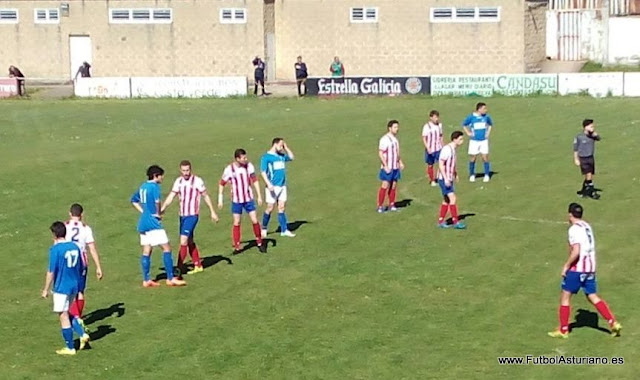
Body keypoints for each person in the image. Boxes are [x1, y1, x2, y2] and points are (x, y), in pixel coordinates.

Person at [548, 203, 622, 339]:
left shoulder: (573, 229)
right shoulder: (587, 226)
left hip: (578, 269)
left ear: (570, 214)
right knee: (592, 296)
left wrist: (566, 265)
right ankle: (613, 322)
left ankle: (563, 330)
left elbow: (576, 251)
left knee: (565, 296)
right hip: (590, 268)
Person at [131, 165, 186, 287]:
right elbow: (157, 202)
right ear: (156, 176)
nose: (162, 178)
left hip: (143, 222)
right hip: (152, 223)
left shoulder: (143, 186)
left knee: (147, 250)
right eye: (161, 176)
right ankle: (170, 278)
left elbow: (134, 200)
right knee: (167, 248)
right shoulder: (154, 187)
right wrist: (158, 213)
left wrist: (143, 211)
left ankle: (146, 280)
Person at [161, 160, 219, 276]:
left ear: (190, 170)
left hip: (192, 216)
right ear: (180, 170)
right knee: (189, 240)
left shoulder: (197, 181)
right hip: (182, 215)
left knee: (183, 240)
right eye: (183, 171)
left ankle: (178, 268)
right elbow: (172, 196)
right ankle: (198, 265)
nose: (186, 173)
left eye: (187, 170)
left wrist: (212, 211)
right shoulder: (178, 181)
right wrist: (163, 208)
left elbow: (205, 196)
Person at [41, 221, 89, 355]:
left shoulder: (55, 250)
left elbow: (51, 271)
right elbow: (81, 266)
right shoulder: (74, 246)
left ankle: (70, 347)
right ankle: (82, 334)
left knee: (62, 315)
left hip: (61, 287)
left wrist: (45, 289)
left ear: (54, 235)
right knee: (67, 312)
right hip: (74, 285)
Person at [64, 203, 104, 343]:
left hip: (67, 260)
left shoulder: (65, 226)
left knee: (69, 291)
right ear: (82, 214)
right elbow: (92, 248)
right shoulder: (86, 229)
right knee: (80, 291)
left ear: (70, 213)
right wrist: (98, 267)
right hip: (81, 261)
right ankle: (78, 317)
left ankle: (74, 318)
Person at [218, 149, 266, 254]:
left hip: (248, 198)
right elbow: (222, 183)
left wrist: (259, 195)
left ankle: (259, 242)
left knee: (254, 220)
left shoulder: (249, 166)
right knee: (237, 222)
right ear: (237, 159)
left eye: (245, 157)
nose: (246, 159)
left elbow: (255, 180)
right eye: (243, 158)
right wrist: (220, 198)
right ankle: (237, 246)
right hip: (236, 200)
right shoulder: (229, 169)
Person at [260, 138, 296, 238]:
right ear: (275, 144)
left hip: (282, 185)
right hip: (272, 186)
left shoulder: (281, 156)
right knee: (270, 208)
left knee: (281, 207)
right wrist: (268, 183)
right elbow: (263, 171)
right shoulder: (266, 157)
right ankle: (264, 227)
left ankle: (284, 230)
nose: (282, 147)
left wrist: (286, 147)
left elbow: (292, 157)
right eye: (281, 145)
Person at [437, 131, 466, 229]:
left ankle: (440, 221)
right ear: (455, 139)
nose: (462, 141)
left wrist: (455, 173)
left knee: (446, 200)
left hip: (448, 178)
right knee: (452, 198)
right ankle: (455, 222)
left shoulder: (453, 149)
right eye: (460, 139)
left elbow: (452, 163)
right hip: (444, 179)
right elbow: (441, 164)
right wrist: (445, 178)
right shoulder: (447, 149)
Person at [377, 120, 404, 213]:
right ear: (390, 128)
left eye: (397, 127)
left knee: (393, 185)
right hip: (388, 166)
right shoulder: (384, 139)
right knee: (385, 185)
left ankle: (392, 204)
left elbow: (396, 153)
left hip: (395, 166)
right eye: (395, 127)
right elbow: (380, 153)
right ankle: (380, 206)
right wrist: (385, 165)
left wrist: (400, 162)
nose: (397, 129)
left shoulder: (395, 139)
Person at [462, 102, 494, 183]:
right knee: (473, 158)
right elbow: (464, 124)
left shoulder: (486, 117)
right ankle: (472, 174)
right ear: (479, 109)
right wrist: (468, 133)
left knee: (485, 157)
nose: (486, 110)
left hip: (483, 141)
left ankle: (487, 174)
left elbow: (490, 124)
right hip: (474, 141)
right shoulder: (471, 117)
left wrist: (488, 133)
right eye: (484, 109)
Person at [573, 119, 601, 199]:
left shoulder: (592, 136)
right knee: (589, 175)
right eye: (591, 126)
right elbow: (575, 149)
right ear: (585, 127)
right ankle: (592, 193)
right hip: (583, 159)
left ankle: (583, 191)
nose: (593, 127)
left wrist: (594, 134)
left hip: (591, 157)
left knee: (589, 175)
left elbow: (599, 138)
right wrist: (576, 159)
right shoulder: (579, 137)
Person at [422, 110, 444, 187]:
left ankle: (440, 177)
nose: (436, 119)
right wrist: (427, 147)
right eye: (435, 117)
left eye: (437, 117)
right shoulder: (427, 126)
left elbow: (441, 136)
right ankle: (432, 180)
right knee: (430, 165)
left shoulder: (439, 125)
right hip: (430, 149)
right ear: (431, 118)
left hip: (438, 148)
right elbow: (424, 138)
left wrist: (443, 145)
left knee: (442, 162)